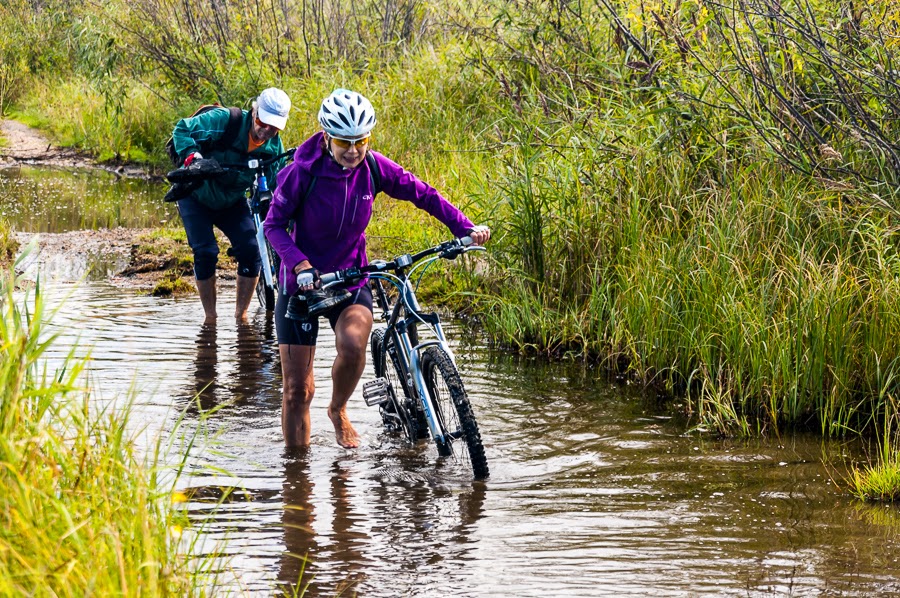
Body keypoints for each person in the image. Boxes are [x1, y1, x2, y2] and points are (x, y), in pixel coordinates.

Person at [264, 89, 490, 449]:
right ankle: (298, 488)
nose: (353, 151)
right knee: (296, 390)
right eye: (343, 142)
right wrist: (301, 264)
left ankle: (338, 411)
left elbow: (423, 193)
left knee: (353, 343)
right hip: (303, 284)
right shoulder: (300, 174)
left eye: (360, 141)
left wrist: (464, 227)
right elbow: (272, 227)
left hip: (351, 277)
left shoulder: (372, 167)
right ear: (326, 138)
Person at [171, 87, 291, 323]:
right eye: (262, 122)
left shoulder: (274, 147)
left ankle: (241, 317)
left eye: (274, 127)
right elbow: (182, 129)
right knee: (206, 252)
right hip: (195, 194)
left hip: (232, 200)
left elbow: (278, 185)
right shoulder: (225, 120)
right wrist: (194, 158)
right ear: (254, 111)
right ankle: (211, 319)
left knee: (251, 251)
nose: (265, 131)